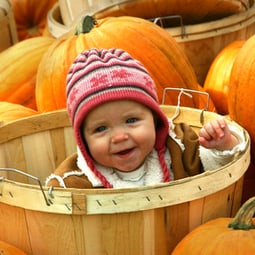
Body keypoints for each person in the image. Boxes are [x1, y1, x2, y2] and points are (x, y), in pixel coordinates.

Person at [45, 48, 246, 189]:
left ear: (155, 119)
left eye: (131, 121)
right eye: (100, 129)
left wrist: (222, 145)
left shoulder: (179, 146)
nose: (119, 137)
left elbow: (215, 173)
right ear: (83, 138)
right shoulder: (76, 180)